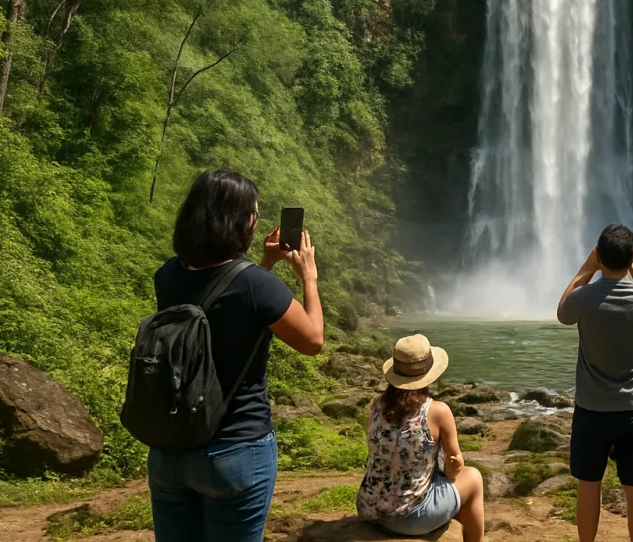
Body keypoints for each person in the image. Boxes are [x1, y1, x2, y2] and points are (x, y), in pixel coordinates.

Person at [147, 170, 326, 542]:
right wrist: (308, 276)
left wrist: (265, 263)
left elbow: (224, 303)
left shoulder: (167, 276)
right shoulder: (256, 286)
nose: (256, 219)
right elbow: (312, 340)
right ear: (239, 221)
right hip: (235, 450)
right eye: (253, 213)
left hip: (170, 450)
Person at [556, 224, 633, 542]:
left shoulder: (584, 299)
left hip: (592, 408)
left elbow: (563, 312)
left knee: (589, 485)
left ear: (599, 256)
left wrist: (586, 269)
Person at [357, 334, 485, 541]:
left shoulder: (375, 405)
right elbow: (453, 472)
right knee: (474, 478)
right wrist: (456, 464)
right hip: (410, 519)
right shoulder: (437, 411)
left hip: (368, 508)